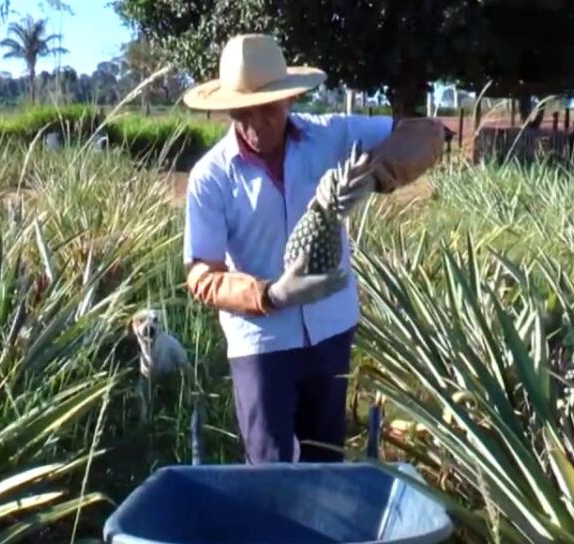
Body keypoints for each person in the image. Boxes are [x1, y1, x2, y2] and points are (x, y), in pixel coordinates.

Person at [179, 33, 446, 464]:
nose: (255, 124)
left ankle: (325, 532)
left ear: (290, 100)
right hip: (260, 340)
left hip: (331, 327)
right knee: (269, 463)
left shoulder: (332, 137)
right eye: (241, 112)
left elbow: (427, 133)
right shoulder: (211, 176)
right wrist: (268, 295)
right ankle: (273, 532)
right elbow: (202, 275)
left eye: (267, 109)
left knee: (325, 457)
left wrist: (375, 177)